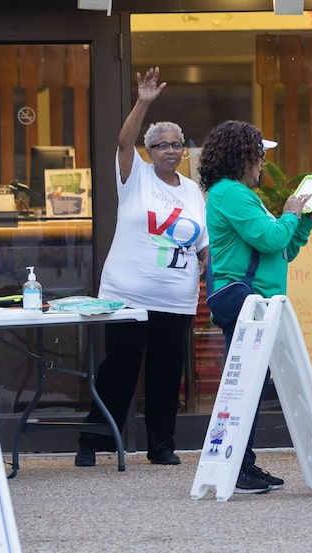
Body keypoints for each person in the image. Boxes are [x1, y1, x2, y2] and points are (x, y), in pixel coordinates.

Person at [75, 67, 209, 467]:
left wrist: (208, 269)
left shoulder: (192, 191)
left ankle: (161, 446)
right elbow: (122, 140)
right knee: (118, 372)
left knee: (167, 376)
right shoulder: (134, 178)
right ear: (149, 151)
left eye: (176, 145)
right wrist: (143, 102)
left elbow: (203, 245)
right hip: (128, 295)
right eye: (162, 145)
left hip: (176, 298)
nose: (170, 150)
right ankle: (93, 441)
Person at [198, 119, 312, 494]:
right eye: (258, 156)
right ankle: (239, 467)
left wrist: (303, 221)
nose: (262, 163)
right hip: (249, 304)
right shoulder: (230, 193)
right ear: (241, 157)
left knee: (250, 384)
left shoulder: (237, 194)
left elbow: (283, 248)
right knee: (245, 386)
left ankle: (242, 464)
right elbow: (270, 237)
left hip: (260, 304)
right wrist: (290, 214)